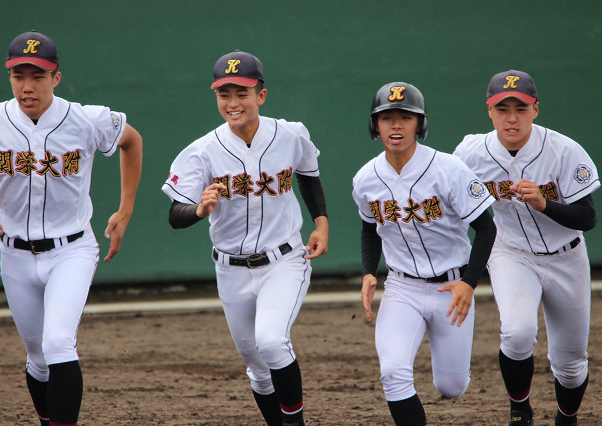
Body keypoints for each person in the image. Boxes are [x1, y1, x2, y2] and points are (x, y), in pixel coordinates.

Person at [0, 30, 142, 426]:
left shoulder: (86, 119)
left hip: (72, 249)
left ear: (56, 78)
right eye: (18, 75)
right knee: (38, 358)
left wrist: (125, 207)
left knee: (58, 343)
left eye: (38, 76)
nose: (27, 86)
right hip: (14, 253)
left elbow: (132, 141)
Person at [161, 50, 328, 426]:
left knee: (271, 341)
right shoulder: (201, 152)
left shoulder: (290, 134)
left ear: (261, 96)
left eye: (242, 93)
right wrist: (200, 210)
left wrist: (322, 223)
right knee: (256, 366)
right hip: (231, 270)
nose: (233, 103)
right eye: (225, 94)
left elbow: (308, 174)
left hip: (284, 259)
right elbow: (175, 216)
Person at [454, 70, 599, 426]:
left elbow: (588, 217)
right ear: (490, 112)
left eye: (520, 107)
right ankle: (520, 411)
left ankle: (568, 417)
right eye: (502, 108)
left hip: (567, 256)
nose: (511, 117)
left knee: (570, 363)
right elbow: (450, 204)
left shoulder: (564, 150)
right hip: (511, 253)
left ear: (535, 109)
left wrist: (546, 204)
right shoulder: (471, 153)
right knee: (517, 333)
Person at [352, 82, 496, 426]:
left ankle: (452, 376)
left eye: (406, 117)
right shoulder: (365, 179)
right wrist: (369, 272)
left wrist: (469, 283)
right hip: (402, 288)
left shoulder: (449, 170)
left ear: (420, 124)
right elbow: (370, 228)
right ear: (376, 126)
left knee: (452, 385)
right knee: (392, 372)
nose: (396, 125)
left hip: (453, 288)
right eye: (387, 117)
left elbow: (487, 229)